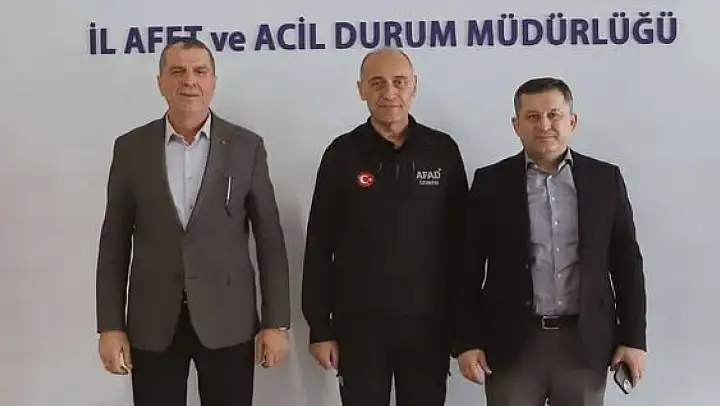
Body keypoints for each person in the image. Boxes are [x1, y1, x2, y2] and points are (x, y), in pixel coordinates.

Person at [95, 37, 291, 406]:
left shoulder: (246, 147)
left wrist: (276, 322)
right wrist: (110, 326)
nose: (189, 81)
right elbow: (114, 243)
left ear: (213, 81)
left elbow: (270, 240)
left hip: (228, 320)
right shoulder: (131, 148)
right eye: (178, 71)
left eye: (200, 71)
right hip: (153, 322)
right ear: (160, 82)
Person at [454, 77, 648, 406]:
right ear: (516, 125)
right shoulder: (490, 183)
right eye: (532, 117)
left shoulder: (605, 180)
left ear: (572, 121)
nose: (544, 125)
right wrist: (466, 341)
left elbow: (627, 264)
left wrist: (633, 339)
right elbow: (466, 270)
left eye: (553, 115)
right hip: (511, 343)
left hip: (584, 345)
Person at [301, 47, 468, 406]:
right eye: (377, 83)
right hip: (358, 326)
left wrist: (465, 327)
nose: (389, 92)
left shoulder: (442, 151)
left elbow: (462, 246)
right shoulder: (341, 154)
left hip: (428, 324)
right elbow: (319, 246)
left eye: (399, 82)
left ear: (414, 86)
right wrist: (320, 327)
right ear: (361, 89)